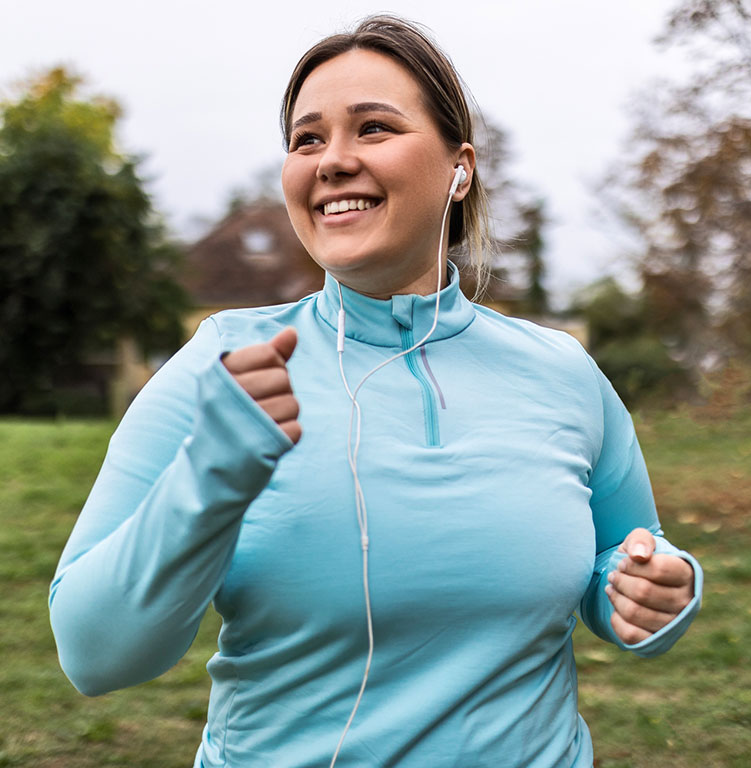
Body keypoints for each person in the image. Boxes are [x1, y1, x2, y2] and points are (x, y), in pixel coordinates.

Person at [49, 15, 703, 768]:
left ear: (460, 168)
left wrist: (654, 589)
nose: (332, 161)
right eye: (307, 139)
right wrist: (210, 478)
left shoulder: (561, 371)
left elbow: (619, 559)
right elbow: (95, 657)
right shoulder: (223, 365)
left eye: (374, 128)